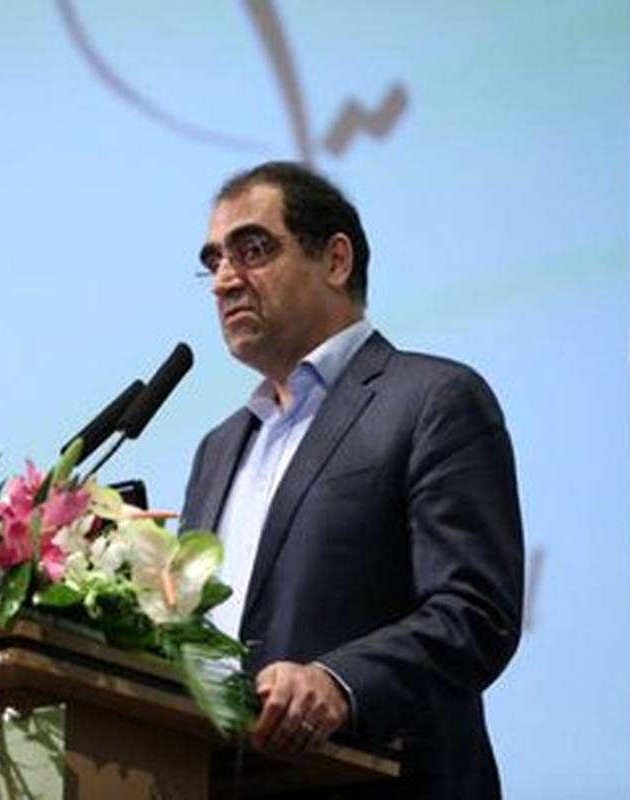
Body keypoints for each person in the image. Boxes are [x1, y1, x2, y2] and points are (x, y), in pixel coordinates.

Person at [180, 161, 524, 799]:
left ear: (336, 260)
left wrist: (341, 682)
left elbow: (475, 612)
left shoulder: (432, 400)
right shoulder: (217, 449)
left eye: (252, 250)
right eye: (214, 260)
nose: (225, 280)